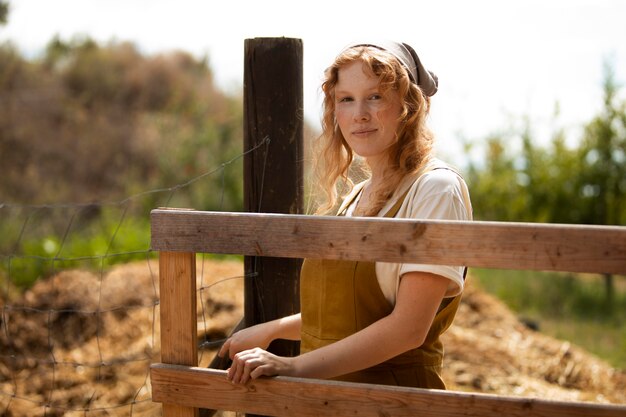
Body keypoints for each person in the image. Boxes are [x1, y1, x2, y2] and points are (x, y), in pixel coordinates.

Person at [218, 40, 472, 389]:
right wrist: (274, 330)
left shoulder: (435, 189)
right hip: (325, 404)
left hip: (393, 405)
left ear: (408, 105)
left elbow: (408, 328)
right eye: (346, 99)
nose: (359, 114)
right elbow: (345, 317)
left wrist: (292, 366)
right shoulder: (356, 197)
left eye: (376, 96)